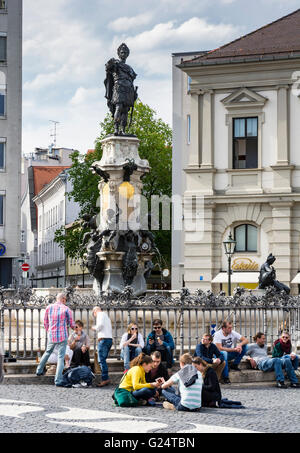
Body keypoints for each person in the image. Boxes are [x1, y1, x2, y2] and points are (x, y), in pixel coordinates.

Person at [36, 292, 76, 386]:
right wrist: (75, 328)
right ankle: (58, 380)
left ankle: (39, 370)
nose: (65, 301)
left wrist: (49, 331)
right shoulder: (66, 309)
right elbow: (71, 324)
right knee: (61, 357)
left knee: (47, 352)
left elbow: (45, 322)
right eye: (65, 299)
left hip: (52, 335)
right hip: (62, 335)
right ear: (63, 299)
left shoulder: (49, 307)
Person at [104, 43, 138, 135]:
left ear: (127, 54)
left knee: (126, 110)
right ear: (119, 53)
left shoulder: (130, 68)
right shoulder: (116, 64)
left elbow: (132, 79)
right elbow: (108, 68)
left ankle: (123, 130)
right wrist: (111, 63)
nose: (124, 54)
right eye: (122, 52)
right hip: (119, 88)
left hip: (129, 89)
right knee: (118, 108)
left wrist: (134, 93)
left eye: (125, 52)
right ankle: (116, 129)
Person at [92, 306, 113, 387]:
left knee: (101, 360)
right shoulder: (106, 316)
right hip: (109, 339)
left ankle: (105, 379)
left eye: (94, 315)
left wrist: (94, 327)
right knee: (103, 360)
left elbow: (99, 326)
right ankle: (105, 378)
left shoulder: (100, 315)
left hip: (104, 340)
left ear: (95, 312)